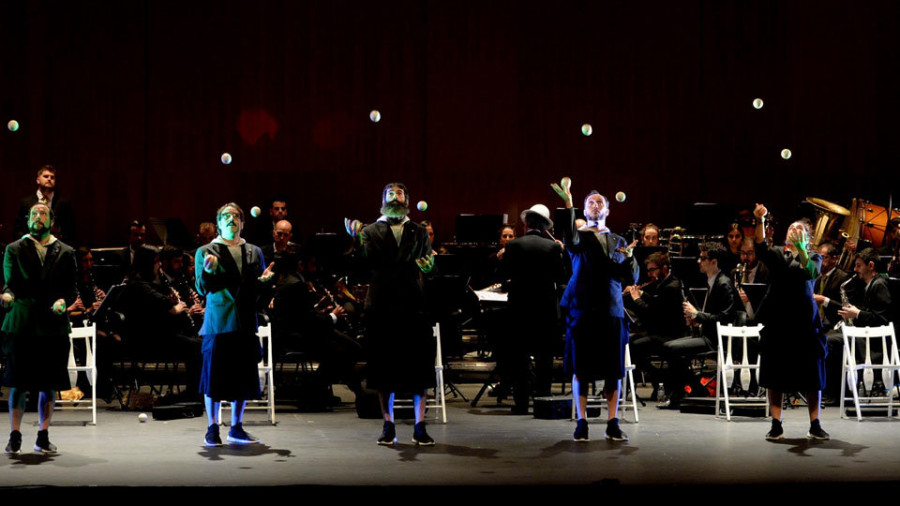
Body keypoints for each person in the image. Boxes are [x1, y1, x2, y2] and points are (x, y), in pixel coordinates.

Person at [346, 182, 436, 446]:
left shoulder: (418, 231)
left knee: (419, 371)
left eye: (399, 194)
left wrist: (430, 270)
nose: (394, 197)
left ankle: (420, 426)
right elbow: (360, 269)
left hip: (412, 306)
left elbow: (429, 266)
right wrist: (355, 240)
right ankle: (388, 425)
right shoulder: (371, 230)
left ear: (407, 200)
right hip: (382, 308)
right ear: (383, 200)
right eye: (389, 194)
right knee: (384, 371)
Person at [551, 178, 638, 442]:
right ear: (585, 211)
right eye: (591, 203)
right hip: (584, 309)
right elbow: (569, 231)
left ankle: (612, 422)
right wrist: (569, 202)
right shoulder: (580, 238)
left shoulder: (619, 240)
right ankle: (582, 422)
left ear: (608, 211)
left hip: (612, 309)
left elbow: (631, 277)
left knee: (614, 369)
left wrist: (631, 258)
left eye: (600, 202)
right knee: (582, 368)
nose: (596, 205)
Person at [195, 203, 274, 446]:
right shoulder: (207, 251)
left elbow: (257, 289)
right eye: (225, 216)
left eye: (235, 216)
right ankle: (212, 428)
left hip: (245, 320)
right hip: (220, 321)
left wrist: (265, 282)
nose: (231, 219)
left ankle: (237, 427)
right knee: (214, 377)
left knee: (243, 377)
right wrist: (208, 271)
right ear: (218, 223)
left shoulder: (253, 252)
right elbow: (201, 288)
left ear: (242, 222)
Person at [2, 203, 77, 454]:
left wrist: (63, 301)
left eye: (43, 213)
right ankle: (15, 435)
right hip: (22, 324)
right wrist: (7, 296)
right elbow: (8, 284)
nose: (38, 217)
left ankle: (43, 435)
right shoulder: (14, 249)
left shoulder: (65, 251)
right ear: (28, 220)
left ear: (51, 220)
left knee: (49, 384)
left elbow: (70, 289)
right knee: (18, 383)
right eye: (34, 214)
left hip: (52, 326)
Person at [753, 204, 829, 441]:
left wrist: (801, 250)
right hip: (778, 323)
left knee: (811, 376)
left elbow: (810, 273)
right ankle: (776, 424)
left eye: (800, 231)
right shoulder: (777, 255)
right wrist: (760, 221)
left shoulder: (814, 256)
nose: (794, 232)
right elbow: (760, 247)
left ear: (807, 238)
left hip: (805, 325)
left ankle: (815, 423)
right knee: (774, 375)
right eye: (791, 229)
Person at [500, 204, 566, 414]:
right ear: (545, 225)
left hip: (519, 310)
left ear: (526, 223)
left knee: (520, 358)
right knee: (544, 358)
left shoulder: (513, 246)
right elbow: (560, 277)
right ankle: (542, 403)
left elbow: (505, 275)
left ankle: (521, 404)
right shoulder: (552, 247)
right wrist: (560, 252)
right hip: (545, 310)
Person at [15, 165, 76, 244]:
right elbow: (18, 229)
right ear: (38, 180)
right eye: (46, 176)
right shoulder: (26, 203)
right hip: (30, 248)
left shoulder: (63, 204)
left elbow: (70, 231)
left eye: (52, 177)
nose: (49, 179)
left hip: (56, 248)